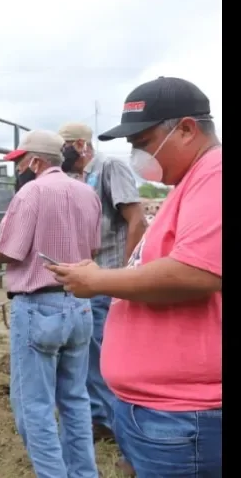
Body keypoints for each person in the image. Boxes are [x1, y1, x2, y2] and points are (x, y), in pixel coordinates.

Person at [47, 76, 222, 477]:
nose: (136, 154)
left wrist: (99, 281)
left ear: (186, 129)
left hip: (180, 414)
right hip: (156, 409)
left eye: (142, 142)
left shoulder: (214, 175)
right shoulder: (189, 182)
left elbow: (198, 272)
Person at [0, 130, 102, 478]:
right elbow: (94, 250)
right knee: (75, 399)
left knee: (33, 406)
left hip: (39, 307)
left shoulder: (32, 192)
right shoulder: (87, 194)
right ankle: (83, 473)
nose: (19, 169)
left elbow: (9, 251)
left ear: (37, 161)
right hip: (79, 305)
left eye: (21, 162)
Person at [57, 122, 148, 444]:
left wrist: (123, 276)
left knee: (102, 357)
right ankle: (101, 418)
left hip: (107, 277)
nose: (61, 152)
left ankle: (117, 426)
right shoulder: (73, 178)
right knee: (90, 355)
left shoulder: (110, 167)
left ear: (81, 144)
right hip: (89, 279)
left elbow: (136, 220)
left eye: (64, 145)